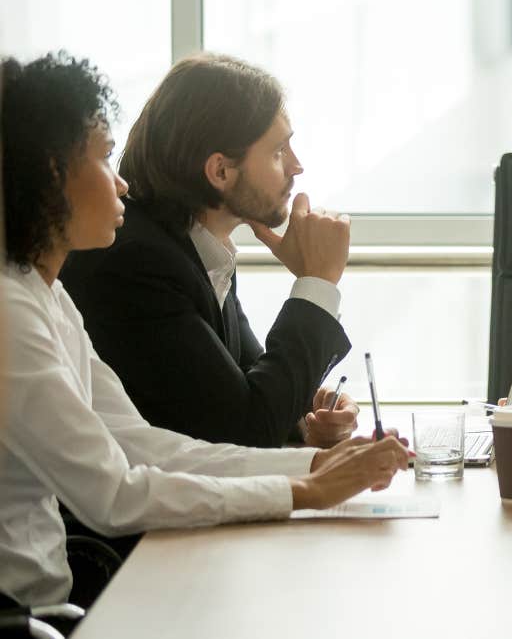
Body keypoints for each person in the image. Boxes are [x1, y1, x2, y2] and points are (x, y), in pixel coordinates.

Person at [0, 53, 409, 609]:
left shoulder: (45, 294)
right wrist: (303, 488)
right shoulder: (14, 312)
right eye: (101, 159)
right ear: (50, 178)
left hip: (58, 600)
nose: (120, 182)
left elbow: (143, 446)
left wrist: (311, 464)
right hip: (30, 613)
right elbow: (115, 494)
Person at [60, 52, 357, 449]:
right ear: (220, 172)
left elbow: (249, 386)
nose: (296, 166)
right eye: (277, 152)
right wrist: (317, 283)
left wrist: (310, 418)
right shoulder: (136, 263)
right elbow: (246, 428)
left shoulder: (198, 249)